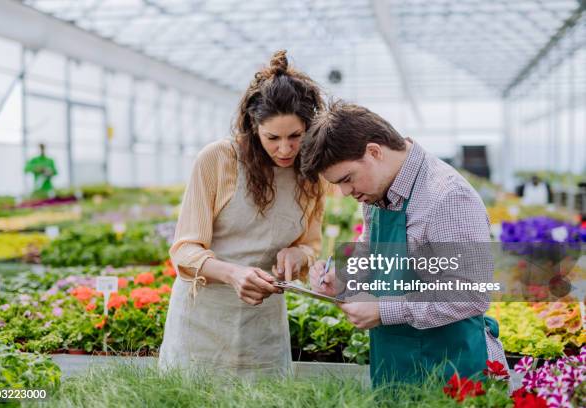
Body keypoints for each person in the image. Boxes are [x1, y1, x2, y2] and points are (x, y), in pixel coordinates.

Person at [300, 101, 507, 385]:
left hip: (450, 369)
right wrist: (342, 275)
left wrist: (383, 310)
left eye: (347, 179)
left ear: (374, 152)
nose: (346, 192)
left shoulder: (447, 197)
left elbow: (470, 293)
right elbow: (371, 247)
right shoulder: (379, 191)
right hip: (397, 364)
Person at [159, 51, 326, 378]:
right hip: (202, 318)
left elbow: (311, 244)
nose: (284, 149)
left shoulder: (311, 172)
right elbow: (185, 251)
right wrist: (233, 274)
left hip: (263, 325)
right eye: (272, 138)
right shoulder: (218, 159)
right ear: (253, 127)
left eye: (295, 136)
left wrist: (298, 255)